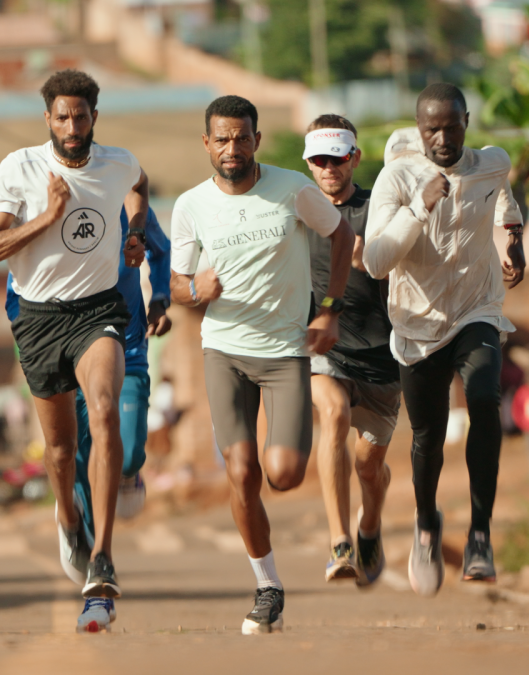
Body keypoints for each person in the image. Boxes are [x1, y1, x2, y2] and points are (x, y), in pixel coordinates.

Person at [169, 95, 354, 634]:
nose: (232, 148)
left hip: (286, 353)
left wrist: (330, 310)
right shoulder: (191, 206)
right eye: (221, 139)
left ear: (257, 139)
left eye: (242, 137)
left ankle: (276, 536)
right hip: (224, 349)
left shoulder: (292, 189)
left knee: (284, 474)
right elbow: (176, 284)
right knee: (242, 471)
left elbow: (341, 236)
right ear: (207, 143)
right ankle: (267, 586)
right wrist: (193, 289)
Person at [0, 69, 150, 633]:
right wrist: (47, 218)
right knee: (58, 451)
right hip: (39, 319)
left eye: (81, 116)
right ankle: (69, 519)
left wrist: (136, 229)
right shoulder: (19, 168)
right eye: (62, 116)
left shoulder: (118, 162)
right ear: (47, 118)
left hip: (99, 311)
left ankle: (101, 558)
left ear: (95, 116)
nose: (72, 126)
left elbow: (140, 185)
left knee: (103, 411)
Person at [363, 83, 525, 597]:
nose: (441, 137)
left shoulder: (491, 163)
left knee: (484, 398)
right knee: (427, 439)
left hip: (477, 308)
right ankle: (426, 522)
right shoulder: (397, 177)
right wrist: (419, 207)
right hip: (417, 324)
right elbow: (375, 261)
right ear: (418, 129)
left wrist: (514, 242)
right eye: (431, 128)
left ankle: (480, 534)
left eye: (451, 126)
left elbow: (505, 204)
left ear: (466, 122)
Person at [5, 206, 172, 540]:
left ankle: (127, 473)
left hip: (127, 348)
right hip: (64, 357)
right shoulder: (44, 211)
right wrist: (32, 339)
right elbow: (16, 289)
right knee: (75, 457)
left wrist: (160, 298)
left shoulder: (124, 201)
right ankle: (89, 547)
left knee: (125, 455)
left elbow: (160, 248)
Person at [301, 115, 400, 587]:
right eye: (319, 160)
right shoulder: (298, 213)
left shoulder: (378, 209)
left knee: (368, 465)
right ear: (308, 164)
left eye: (336, 159)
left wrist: (371, 260)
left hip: (383, 353)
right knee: (334, 414)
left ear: (354, 158)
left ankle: (370, 524)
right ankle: (340, 541)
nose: (328, 168)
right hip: (326, 347)